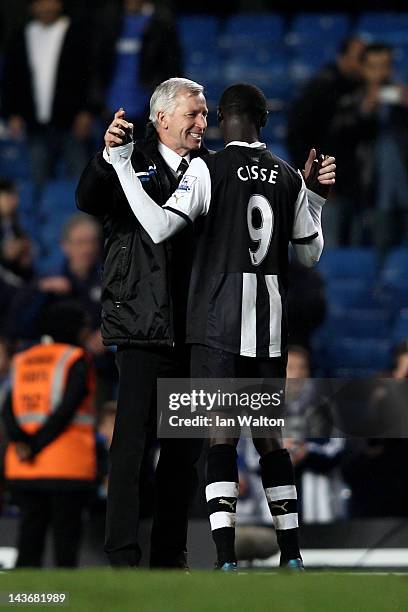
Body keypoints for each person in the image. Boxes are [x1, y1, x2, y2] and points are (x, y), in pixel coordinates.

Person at [108, 83, 336, 570]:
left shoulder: (208, 169)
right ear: (264, 121)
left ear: (222, 119)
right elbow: (311, 254)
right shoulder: (288, 174)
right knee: (269, 435)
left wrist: (125, 167)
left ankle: (226, 559)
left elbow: (161, 227)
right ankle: (293, 556)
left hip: (217, 322)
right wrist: (315, 199)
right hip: (271, 324)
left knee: (220, 436)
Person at [76, 77, 209, 568]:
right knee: (131, 448)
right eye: (193, 114)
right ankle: (122, 555)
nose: (202, 122)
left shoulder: (211, 169)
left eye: (204, 113)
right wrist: (104, 155)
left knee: (181, 457)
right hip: (141, 327)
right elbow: (87, 200)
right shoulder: (130, 158)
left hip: (194, 331)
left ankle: (170, 556)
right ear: (163, 119)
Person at [2, 301, 97, 567]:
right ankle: (64, 603)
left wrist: (23, 442)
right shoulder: (76, 358)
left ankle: (25, 603)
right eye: (85, 326)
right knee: (66, 546)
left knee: (28, 542)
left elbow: (8, 408)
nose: (87, 332)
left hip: (25, 467)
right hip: (66, 465)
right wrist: (37, 444)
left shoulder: (23, 359)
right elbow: (67, 408)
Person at [1, 0, 95, 190]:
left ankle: (81, 221)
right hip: (34, 125)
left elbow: (89, 75)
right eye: (39, 3)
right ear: (31, 6)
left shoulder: (77, 33)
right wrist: (12, 113)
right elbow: (11, 79)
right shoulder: (20, 36)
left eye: (49, 1)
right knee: (36, 182)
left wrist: (87, 111)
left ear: (59, 3)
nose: (45, 7)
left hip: (71, 123)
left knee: (80, 182)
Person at [329, 43, 408, 249]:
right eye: (374, 67)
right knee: (370, 257)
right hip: (369, 195)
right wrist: (366, 109)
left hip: (403, 193)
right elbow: (340, 137)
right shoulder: (349, 100)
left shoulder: (401, 101)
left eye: (385, 66)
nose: (381, 73)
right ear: (363, 69)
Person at [93, 0, 182, 134]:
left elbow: (172, 67)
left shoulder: (161, 23)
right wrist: (97, 103)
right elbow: (98, 67)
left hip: (148, 110)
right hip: (111, 110)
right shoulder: (109, 21)